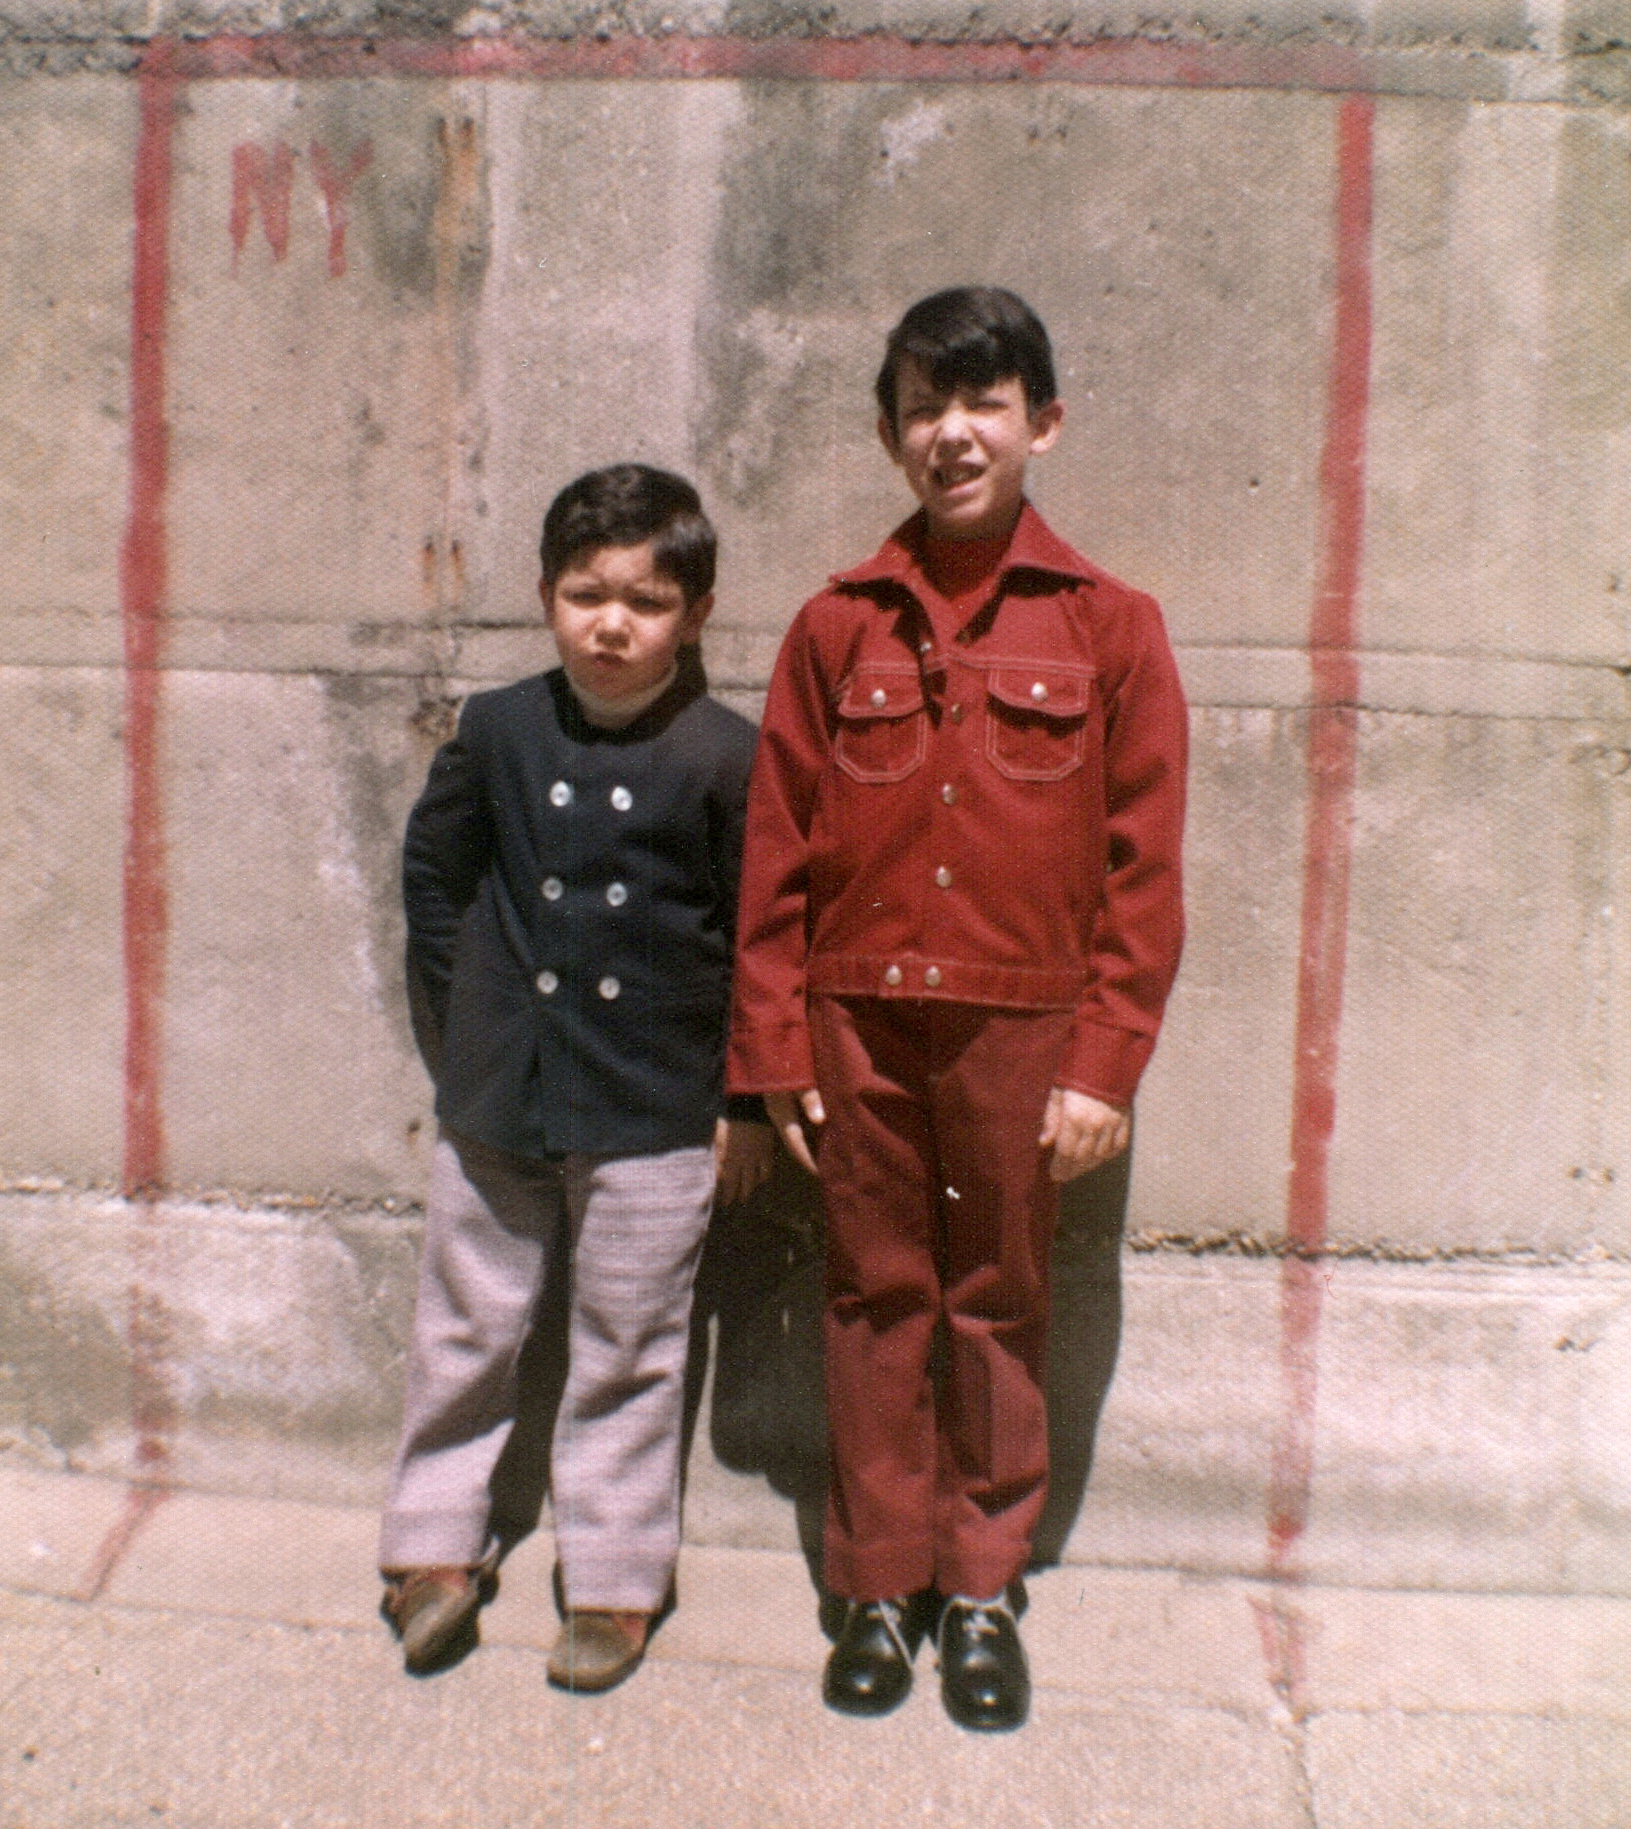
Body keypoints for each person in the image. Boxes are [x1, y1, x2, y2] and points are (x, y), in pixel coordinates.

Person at [727, 287, 1187, 1731]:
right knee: (873, 1297)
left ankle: (982, 1587)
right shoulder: (833, 627)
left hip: (1021, 1033)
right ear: (889, 433)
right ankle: (877, 1584)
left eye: (986, 402)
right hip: (859, 1028)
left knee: (997, 1305)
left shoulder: (1113, 629)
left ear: (1043, 423)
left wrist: (1104, 1064)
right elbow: (777, 852)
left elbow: (1144, 868)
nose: (954, 432)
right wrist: (774, 1051)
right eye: (926, 404)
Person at [382, 463, 774, 1692]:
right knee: (468, 1321)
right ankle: (434, 1550)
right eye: (584, 592)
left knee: (630, 1340)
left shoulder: (726, 755)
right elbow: (436, 882)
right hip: (501, 1096)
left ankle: (611, 1575)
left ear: (694, 615)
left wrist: (745, 1101)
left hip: (654, 1107)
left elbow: (766, 938)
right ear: (546, 596)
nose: (612, 623)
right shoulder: (499, 728)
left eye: (647, 600)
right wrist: (472, 1026)